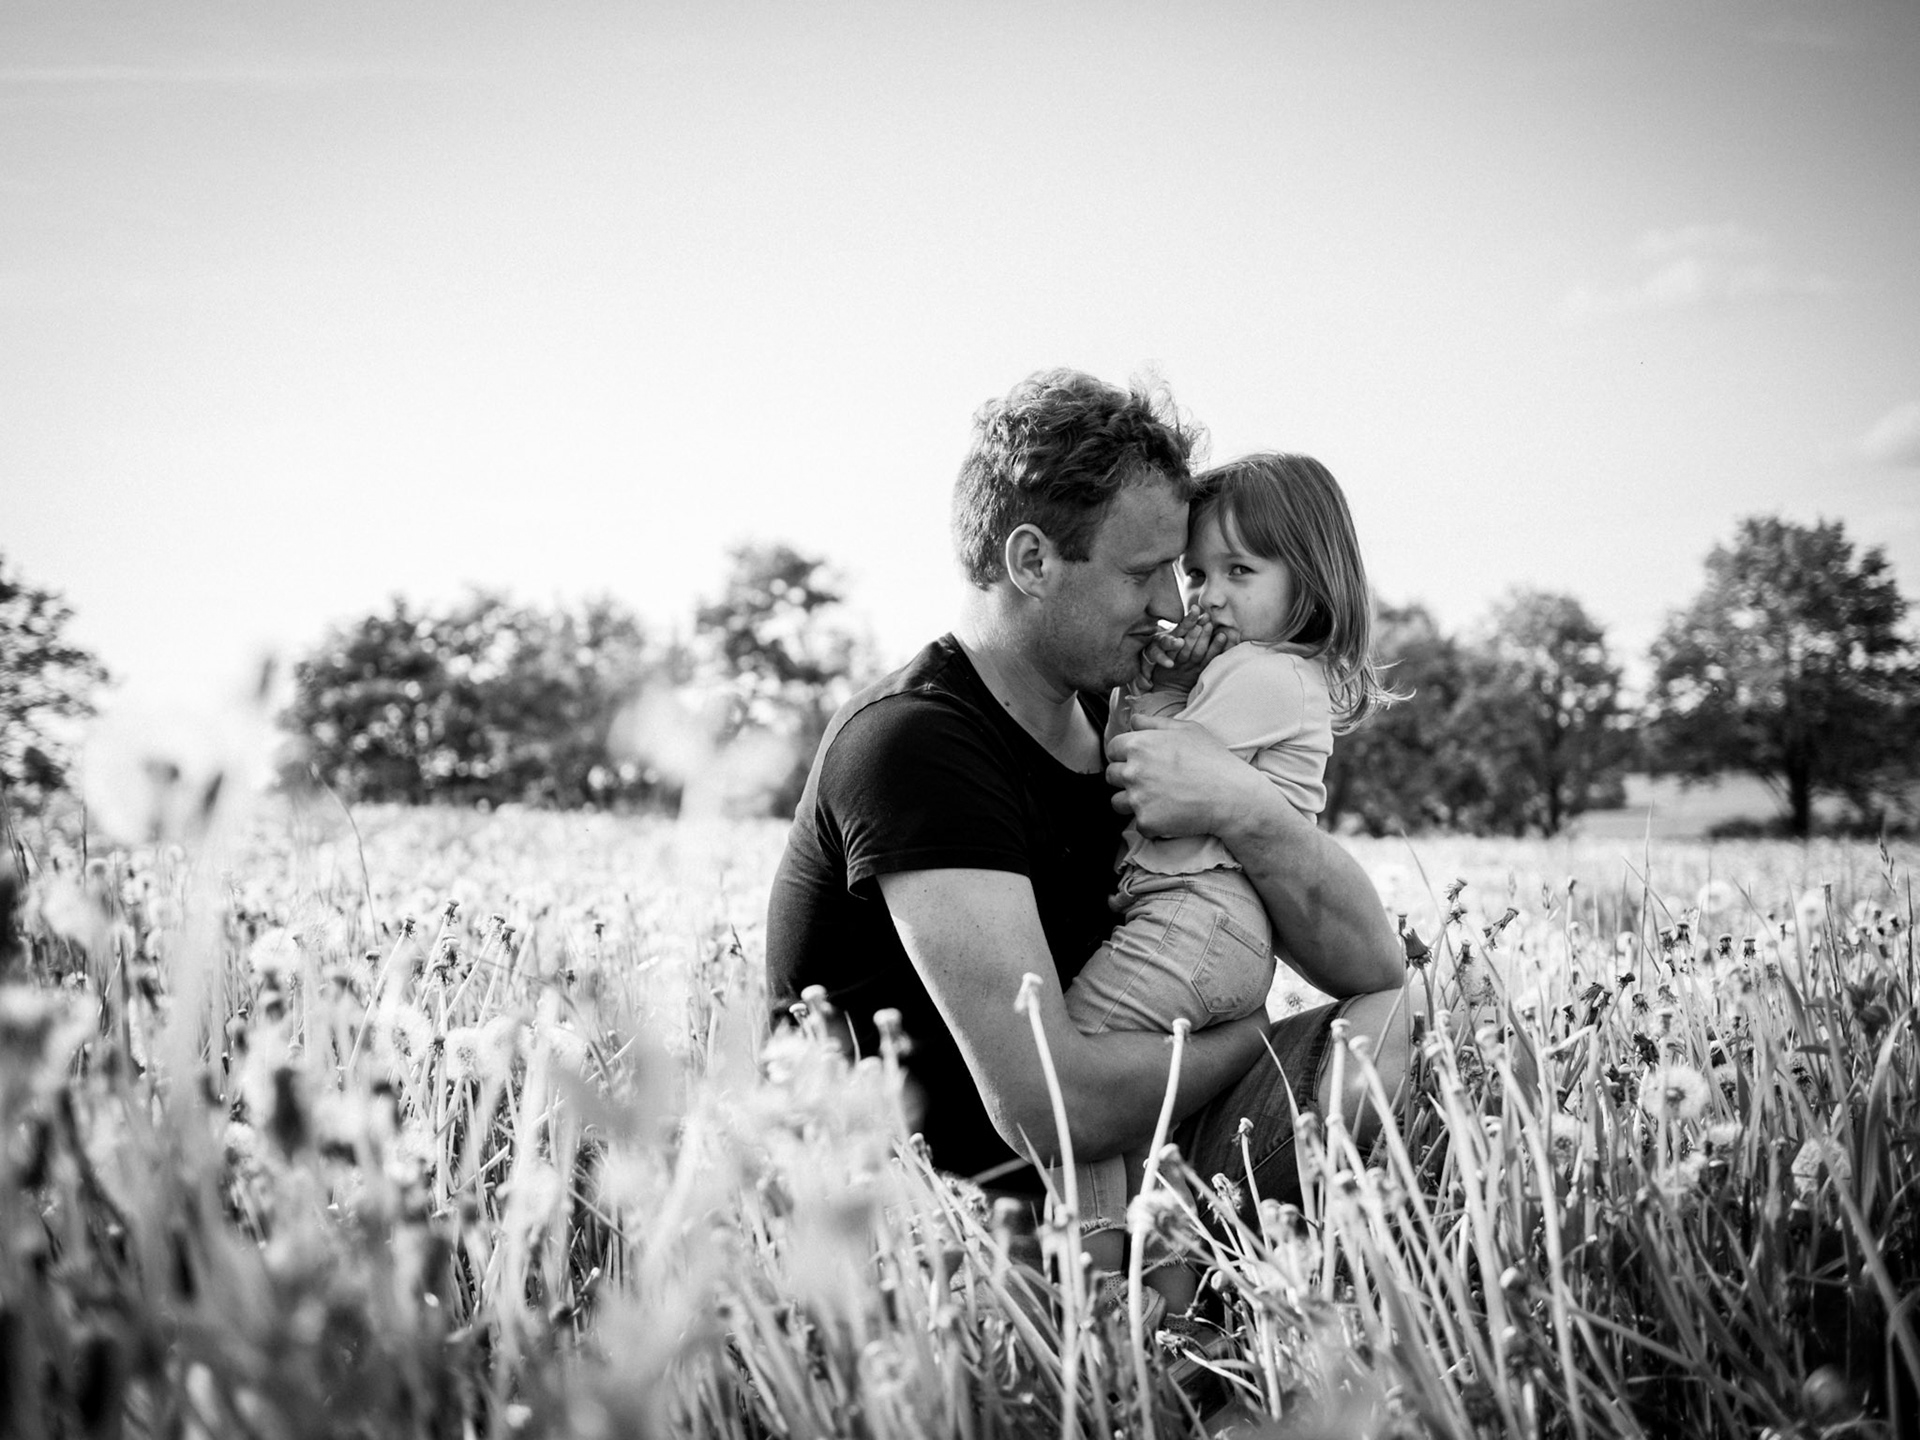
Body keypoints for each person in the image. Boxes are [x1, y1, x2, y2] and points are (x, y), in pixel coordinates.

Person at [764, 368, 1409, 1269]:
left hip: (1137, 1149)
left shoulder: (1120, 718)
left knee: (1398, 1023)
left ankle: (1189, 1290)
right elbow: (1050, 1109)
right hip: (955, 1234)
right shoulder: (915, 748)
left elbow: (1372, 968)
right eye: (1146, 574)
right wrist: (1254, 1041)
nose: (1175, 606)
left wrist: (1241, 803)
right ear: (1032, 563)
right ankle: (1141, 1308)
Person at [1056, 452, 1402, 1320]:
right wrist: (1173, 686)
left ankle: (1096, 1286)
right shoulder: (1256, 675)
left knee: (1072, 1071)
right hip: (1215, 929)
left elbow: (1143, 773)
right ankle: (1172, 1311)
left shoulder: (1266, 676)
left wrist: (1153, 691)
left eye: (1239, 573)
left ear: (1309, 584)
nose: (1207, 597)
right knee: (1156, 1127)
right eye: (1198, 573)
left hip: (1192, 918)